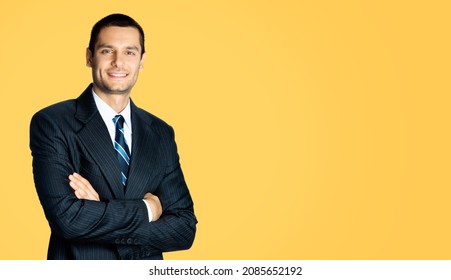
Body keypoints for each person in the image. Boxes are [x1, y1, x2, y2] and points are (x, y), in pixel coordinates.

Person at [29, 13, 197, 260]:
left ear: (141, 60)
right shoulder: (53, 123)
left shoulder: (160, 133)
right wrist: (149, 209)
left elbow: (184, 229)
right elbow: (69, 220)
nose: (119, 62)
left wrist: (98, 210)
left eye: (129, 52)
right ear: (89, 57)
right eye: (107, 51)